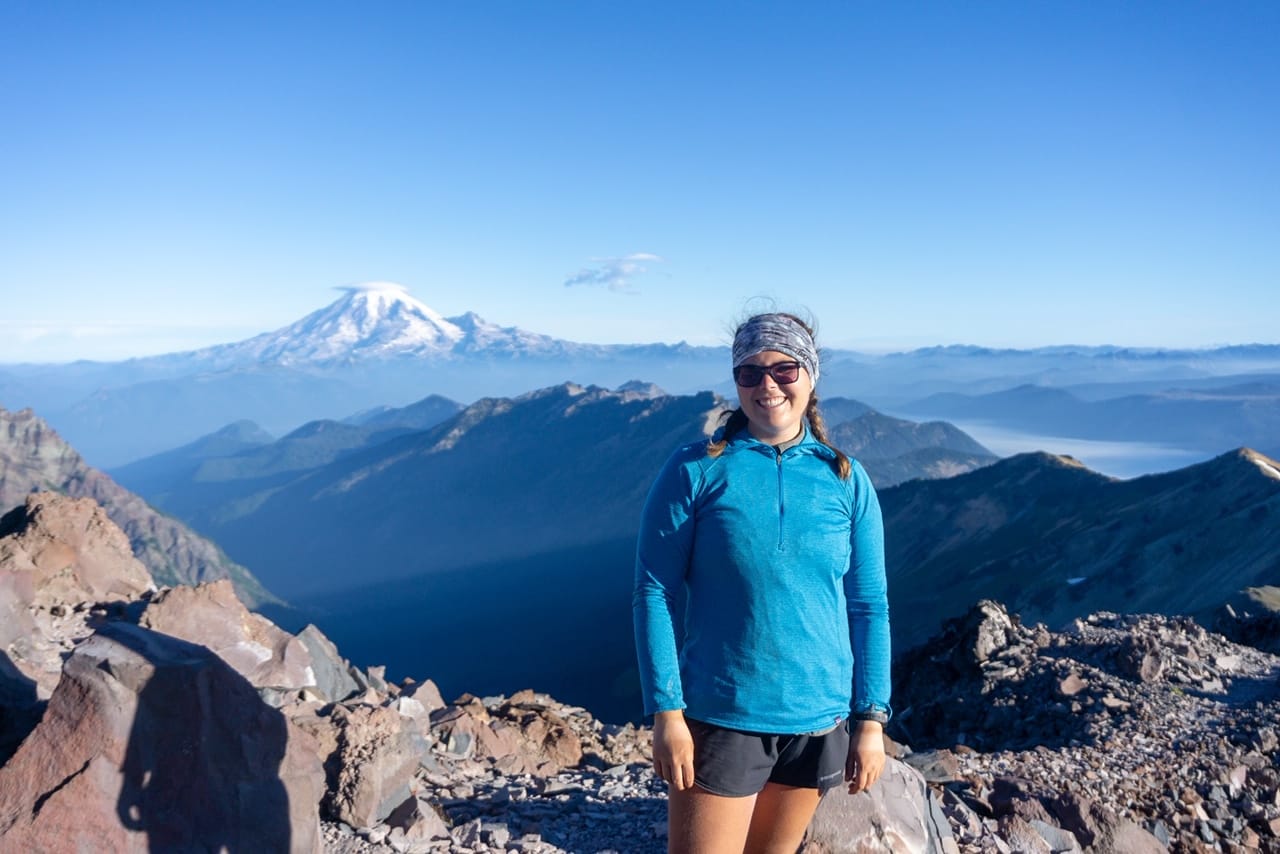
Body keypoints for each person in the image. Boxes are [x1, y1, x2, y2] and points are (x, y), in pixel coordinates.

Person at [633, 312, 892, 854]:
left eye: (783, 368)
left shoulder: (846, 478)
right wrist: (667, 712)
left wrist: (870, 719)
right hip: (723, 715)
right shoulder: (695, 470)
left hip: (819, 724)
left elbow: (869, 606)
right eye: (748, 373)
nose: (766, 385)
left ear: (811, 375)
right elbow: (654, 592)